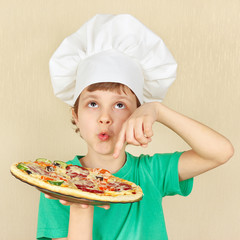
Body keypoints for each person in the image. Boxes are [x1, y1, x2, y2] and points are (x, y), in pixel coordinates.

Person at [37, 14, 234, 240]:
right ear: (76, 115)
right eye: (93, 103)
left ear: (137, 114)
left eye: (119, 105)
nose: (105, 117)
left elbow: (221, 152)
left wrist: (158, 111)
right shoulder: (56, 183)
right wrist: (81, 204)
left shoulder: (152, 173)